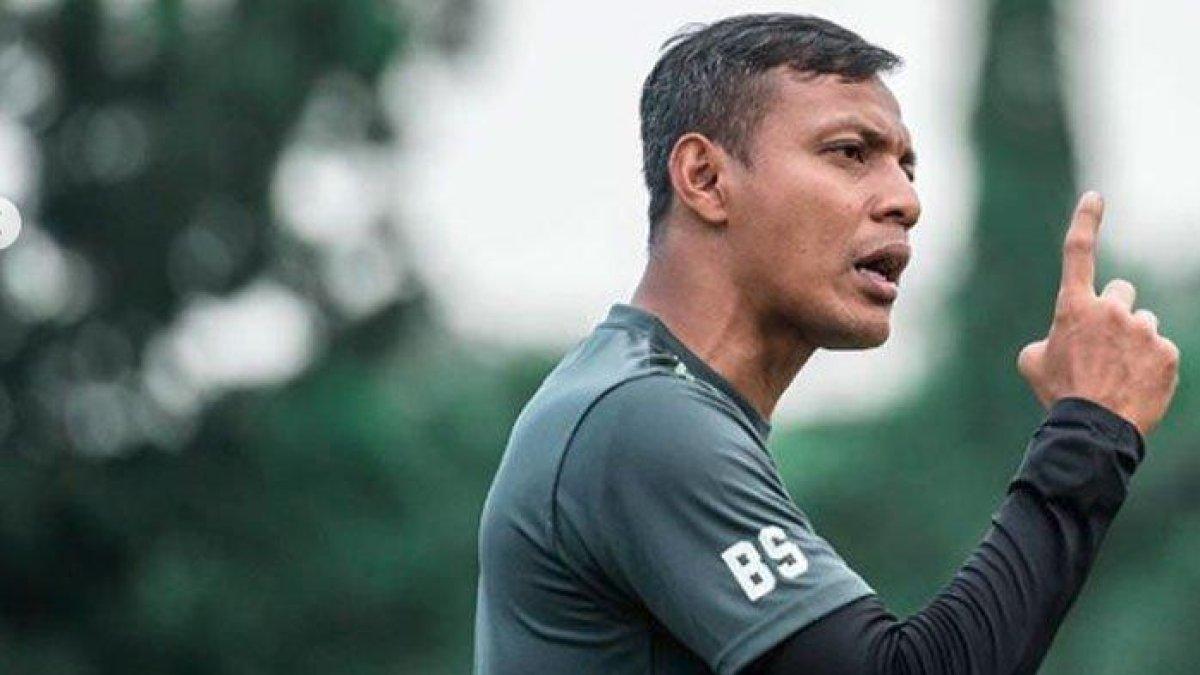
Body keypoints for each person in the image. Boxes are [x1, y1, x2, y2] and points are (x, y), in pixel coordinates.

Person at [472, 13, 1179, 675]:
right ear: (705, 179)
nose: (905, 200)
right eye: (850, 153)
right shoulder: (639, 420)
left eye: (906, 166)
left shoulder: (652, 406)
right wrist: (1089, 431)